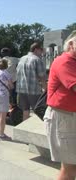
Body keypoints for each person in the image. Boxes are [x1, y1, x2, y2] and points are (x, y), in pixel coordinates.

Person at [44, 30, 76, 180]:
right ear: (71, 44)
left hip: (68, 117)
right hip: (64, 118)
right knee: (70, 169)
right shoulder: (65, 61)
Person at [16, 42, 46, 120]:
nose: (42, 52)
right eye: (41, 49)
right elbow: (42, 76)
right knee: (38, 111)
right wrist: (46, 89)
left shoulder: (22, 58)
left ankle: (24, 128)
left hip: (21, 89)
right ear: (36, 49)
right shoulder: (37, 59)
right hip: (34, 90)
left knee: (25, 111)